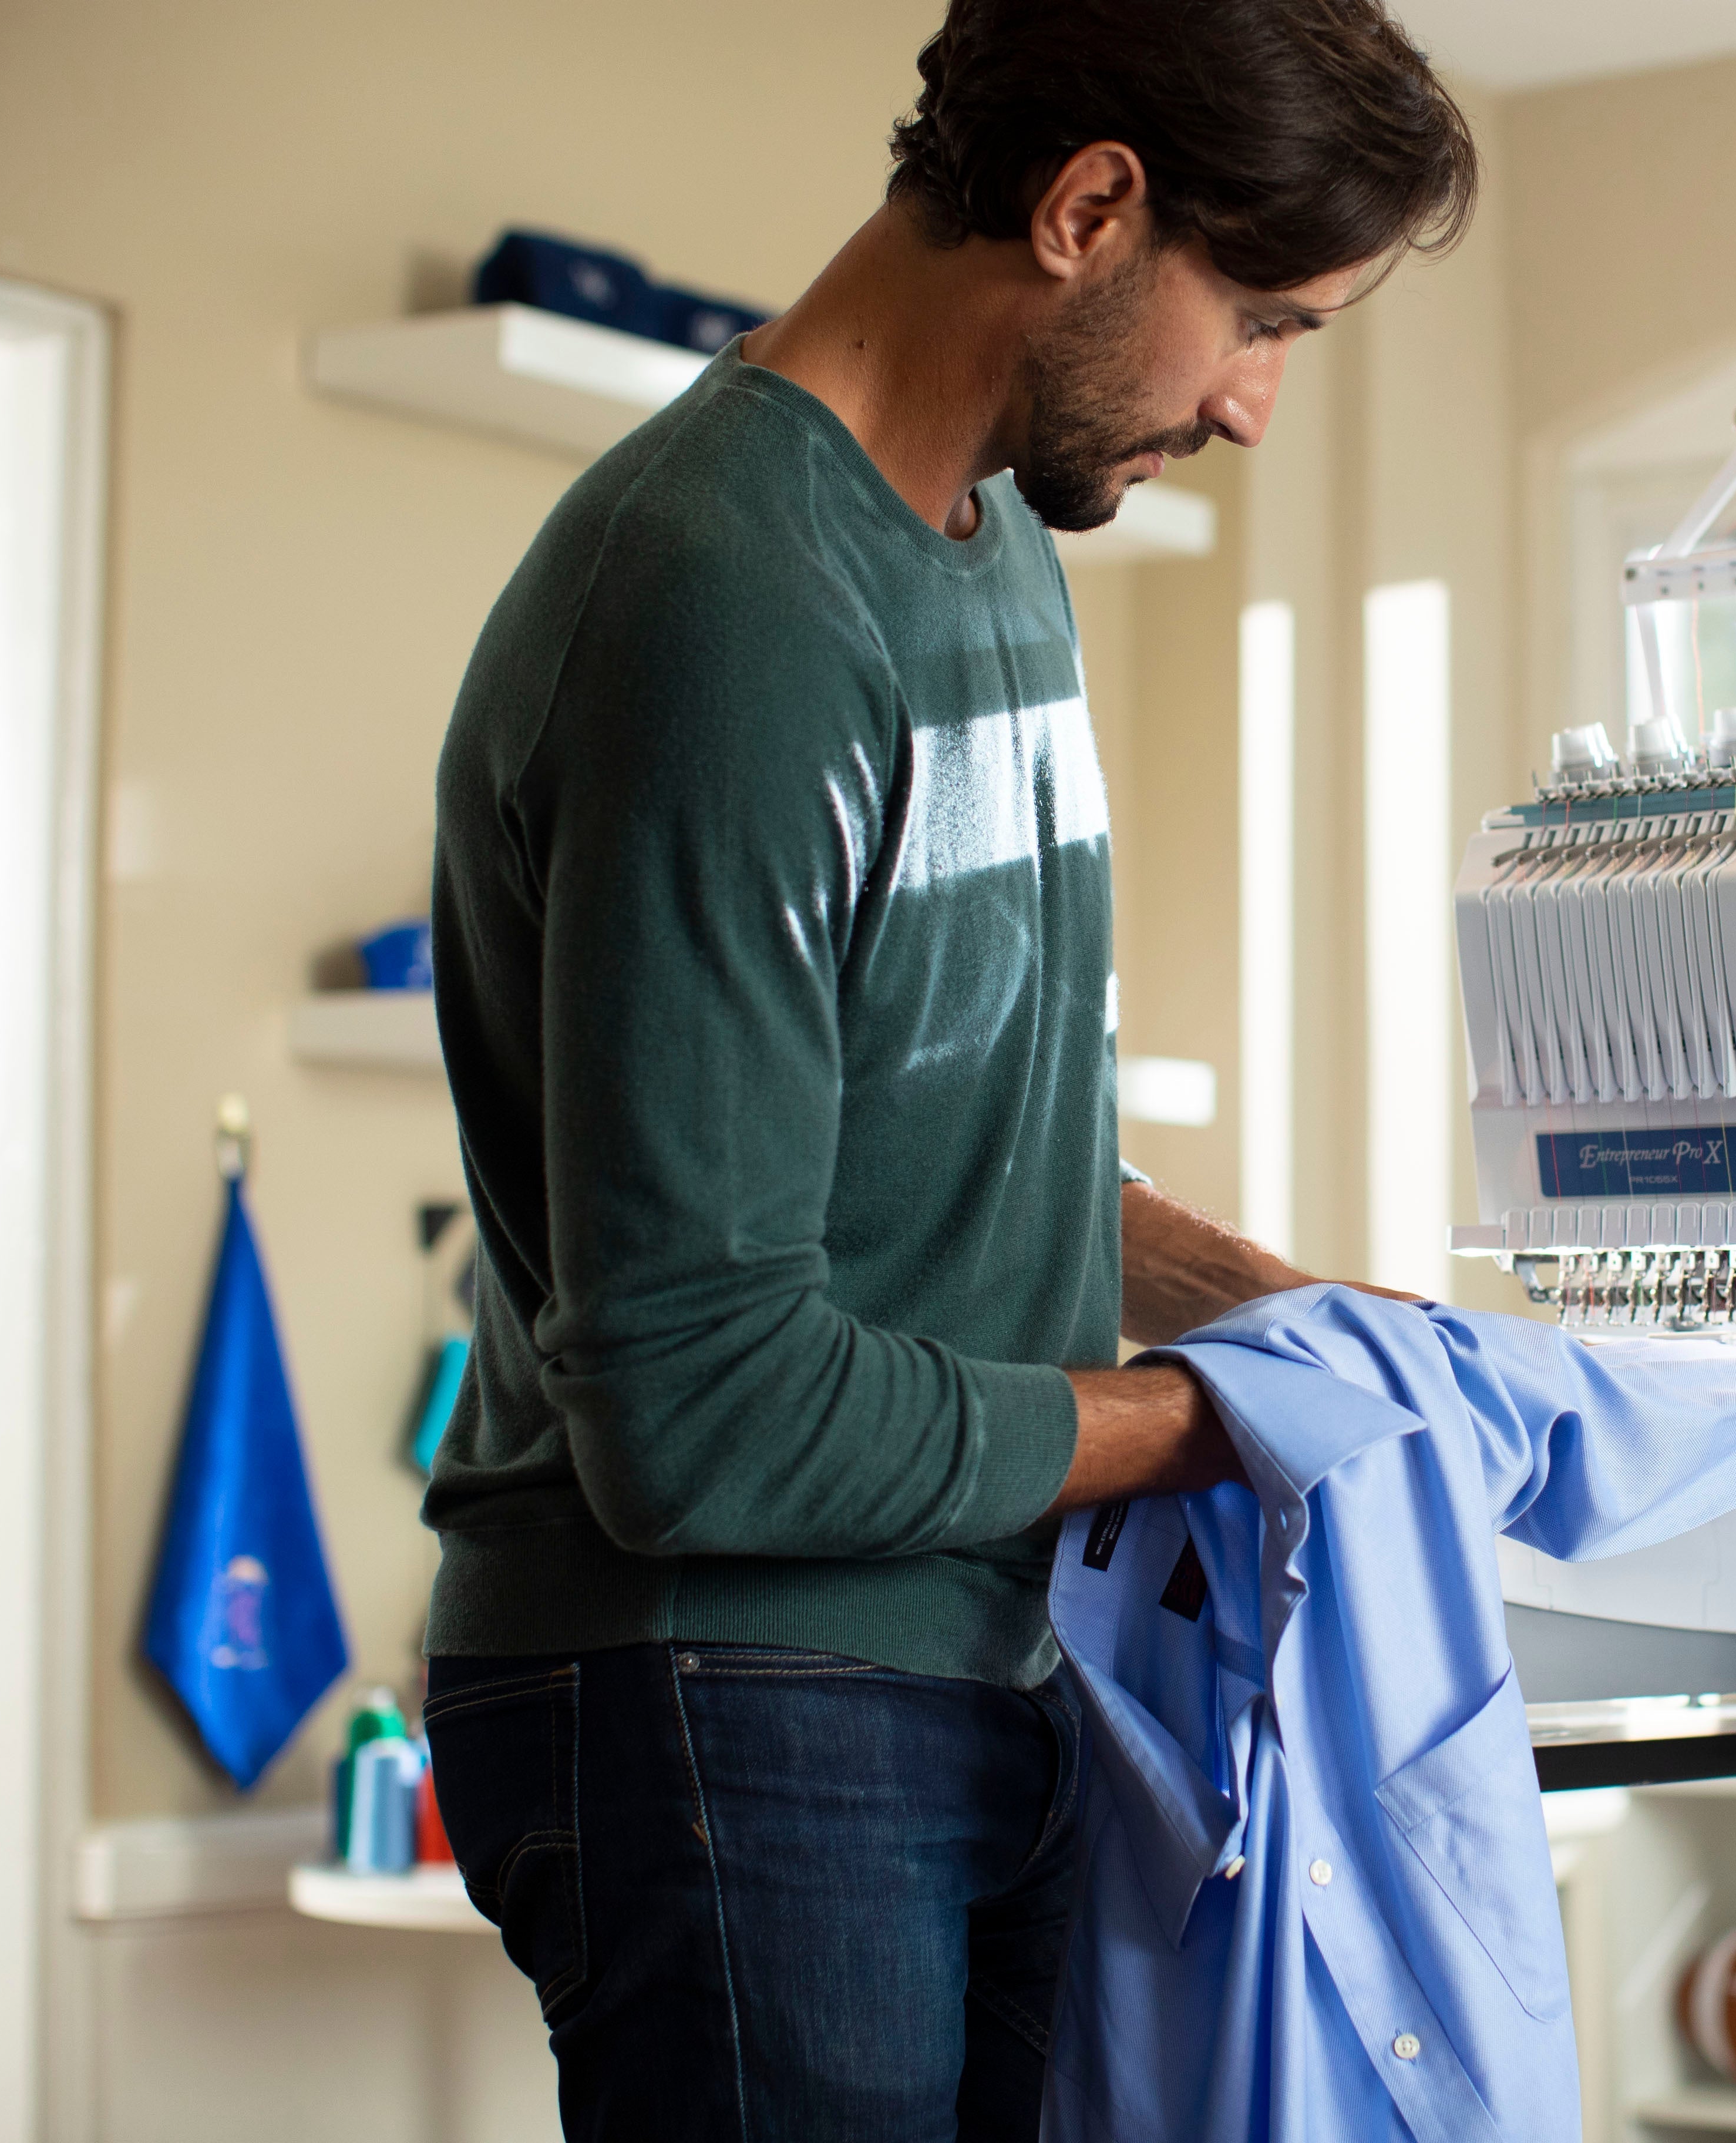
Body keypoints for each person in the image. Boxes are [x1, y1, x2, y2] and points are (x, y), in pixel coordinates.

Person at [414, 4, 1477, 2135]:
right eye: (1254, 318)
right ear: (1089, 207)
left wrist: (1311, 1324)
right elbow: (700, 1406)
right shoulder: (732, 592)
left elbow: (974, 1162)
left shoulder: (993, 560)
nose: (1256, 406)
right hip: (726, 1678)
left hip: (955, 1661)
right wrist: (1226, 1425)